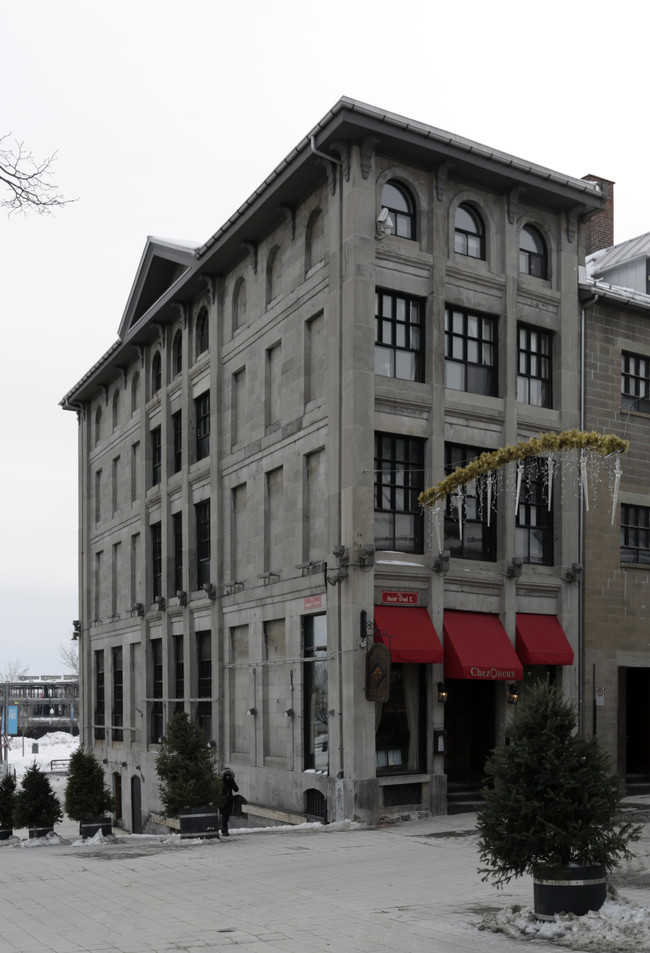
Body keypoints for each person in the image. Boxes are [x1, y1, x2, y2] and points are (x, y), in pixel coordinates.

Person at [220, 768, 239, 836]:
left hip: (229, 801)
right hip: (223, 801)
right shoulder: (221, 782)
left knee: (227, 816)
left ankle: (223, 828)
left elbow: (236, 789)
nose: (228, 777)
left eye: (229, 776)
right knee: (224, 815)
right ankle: (225, 829)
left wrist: (232, 782)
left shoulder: (231, 782)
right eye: (226, 776)